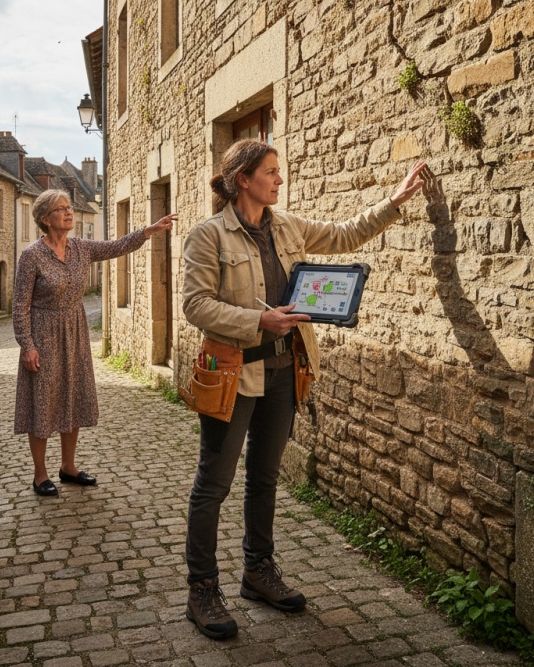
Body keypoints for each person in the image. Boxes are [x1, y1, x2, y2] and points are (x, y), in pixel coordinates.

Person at [181, 139, 427, 638]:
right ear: (243, 179)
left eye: (278, 171)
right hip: (231, 374)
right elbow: (196, 306)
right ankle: (202, 589)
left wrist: (395, 202)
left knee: (265, 477)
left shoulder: (288, 226)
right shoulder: (209, 235)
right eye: (270, 172)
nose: (279, 179)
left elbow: (343, 235)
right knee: (214, 484)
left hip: (282, 373)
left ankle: (258, 571)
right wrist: (259, 319)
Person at [13, 189, 177, 497]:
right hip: (44, 333)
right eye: (61, 209)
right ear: (46, 219)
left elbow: (117, 246)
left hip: (74, 332)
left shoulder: (81, 248)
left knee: (72, 397)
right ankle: (40, 474)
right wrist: (27, 344)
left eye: (69, 207)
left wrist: (150, 230)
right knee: (43, 403)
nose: (69, 212)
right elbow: (20, 304)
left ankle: (68, 467)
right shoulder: (31, 255)